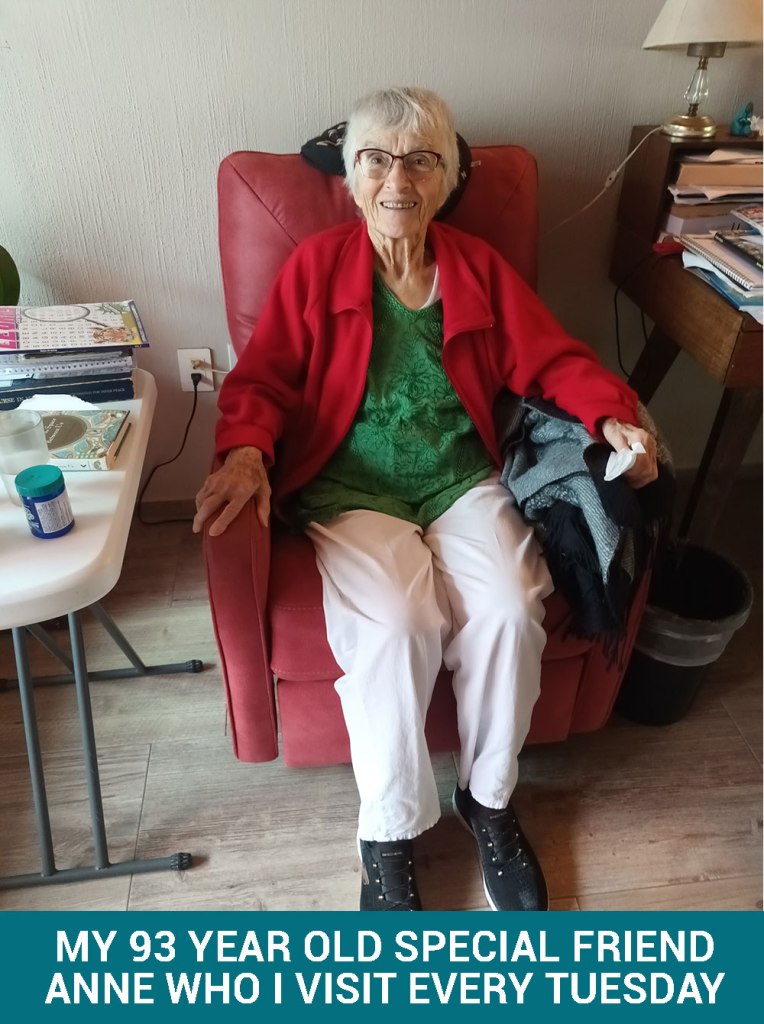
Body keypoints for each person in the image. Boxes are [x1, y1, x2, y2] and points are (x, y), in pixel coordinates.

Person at [193, 86, 657, 912]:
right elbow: (263, 381)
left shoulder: (477, 269)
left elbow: (551, 358)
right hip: (351, 486)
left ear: (445, 180)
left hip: (460, 477)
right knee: (397, 625)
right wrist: (246, 452)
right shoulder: (316, 268)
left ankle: (488, 800)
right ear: (351, 174)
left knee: (510, 608)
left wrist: (610, 416)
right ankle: (389, 829)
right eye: (376, 159)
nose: (397, 179)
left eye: (420, 160)